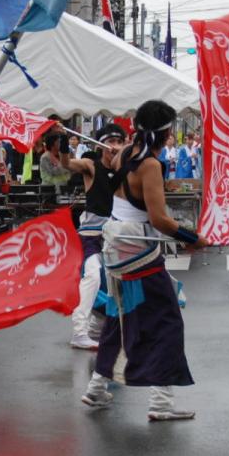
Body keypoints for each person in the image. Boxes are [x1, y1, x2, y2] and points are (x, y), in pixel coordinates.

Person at [81, 100, 207, 419]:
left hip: (116, 240)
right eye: (169, 130)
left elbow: (114, 175)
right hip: (135, 244)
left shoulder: (125, 153)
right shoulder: (150, 165)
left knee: (119, 314)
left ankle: (96, 388)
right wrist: (193, 238)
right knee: (166, 318)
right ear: (164, 131)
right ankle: (161, 403)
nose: (170, 137)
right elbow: (160, 219)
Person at [60, 123, 128, 350]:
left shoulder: (125, 170)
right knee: (92, 278)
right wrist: (62, 140)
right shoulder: (91, 165)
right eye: (110, 142)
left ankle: (96, 330)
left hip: (114, 236)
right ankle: (79, 332)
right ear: (101, 146)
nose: (114, 146)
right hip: (90, 237)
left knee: (114, 284)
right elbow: (66, 163)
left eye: (119, 142)